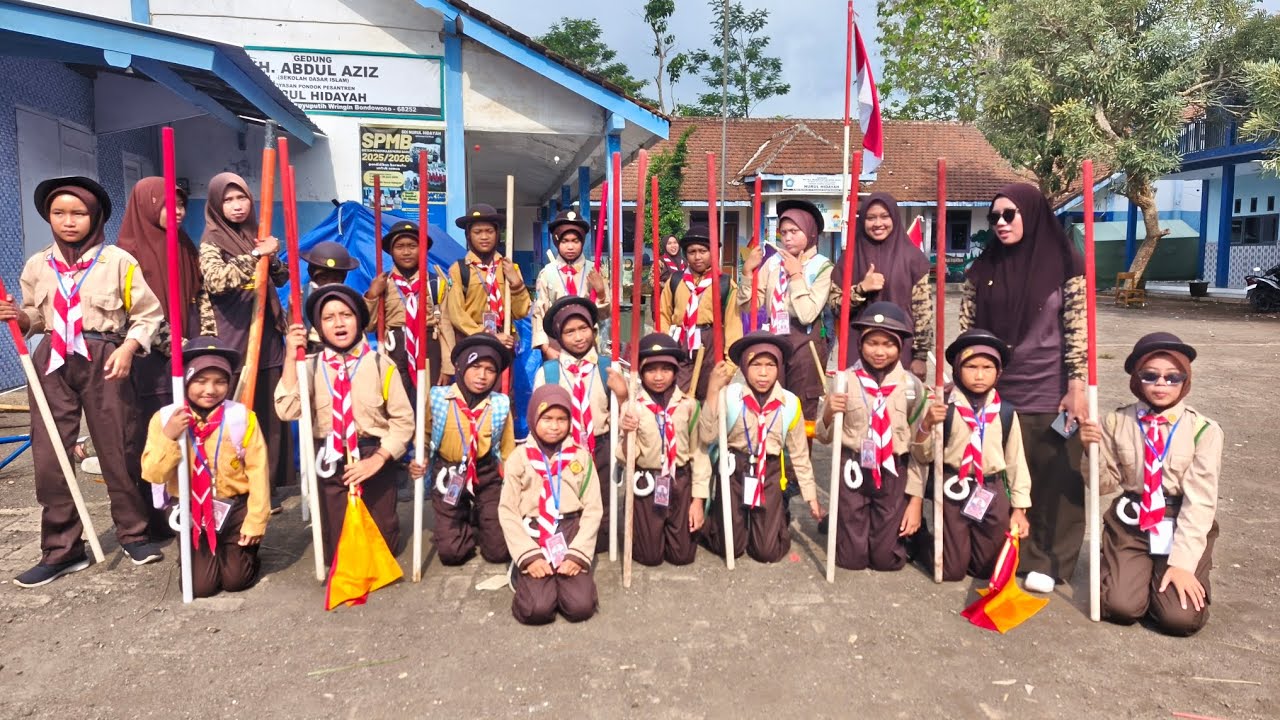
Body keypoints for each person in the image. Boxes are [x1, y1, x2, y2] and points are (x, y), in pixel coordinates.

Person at [2, 176, 165, 587]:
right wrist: (19, 318)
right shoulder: (38, 264)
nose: (68, 221)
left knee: (118, 447)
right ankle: (62, 550)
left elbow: (147, 314)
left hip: (105, 357)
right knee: (50, 455)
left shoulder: (119, 262)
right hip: (52, 360)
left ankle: (134, 534)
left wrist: (129, 349)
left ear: (95, 216)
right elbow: (35, 315)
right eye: (59, 213)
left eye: (78, 213)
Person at [959, 183, 1087, 594]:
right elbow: (967, 330)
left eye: (1009, 214)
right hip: (997, 390)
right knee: (1007, 472)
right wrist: (962, 380)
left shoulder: (1067, 264)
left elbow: (1078, 328)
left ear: (1030, 214)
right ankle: (1008, 548)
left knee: (1054, 474)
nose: (1000, 223)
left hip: (1051, 387)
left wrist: (1077, 385)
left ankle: (1048, 558)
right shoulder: (983, 268)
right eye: (994, 216)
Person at [1080, 333, 1222, 636]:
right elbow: (1104, 485)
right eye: (1150, 375)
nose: (1161, 384)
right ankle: (1133, 577)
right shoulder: (1115, 422)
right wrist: (1090, 452)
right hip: (1131, 524)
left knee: (1179, 619)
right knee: (1120, 606)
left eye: (1172, 377)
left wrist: (1183, 565)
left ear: (1185, 380)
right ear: (1136, 379)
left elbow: (1200, 502)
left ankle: (1163, 583)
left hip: (1180, 522)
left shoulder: (1203, 430)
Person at [275, 285, 413, 568]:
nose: (339, 323)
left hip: (373, 456)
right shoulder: (309, 367)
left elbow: (403, 422)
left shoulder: (380, 364)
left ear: (359, 320)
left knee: (382, 551)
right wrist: (289, 357)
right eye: (328, 317)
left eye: (346, 315)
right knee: (338, 556)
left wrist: (378, 459)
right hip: (329, 458)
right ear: (319, 327)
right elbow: (287, 410)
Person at [140, 337, 269, 597]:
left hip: (234, 509)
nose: (210, 389)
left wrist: (256, 521)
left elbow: (259, 473)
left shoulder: (241, 418)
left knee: (236, 581)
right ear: (186, 380)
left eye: (220, 381)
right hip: (191, 510)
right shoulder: (164, 419)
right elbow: (153, 473)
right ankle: (196, 555)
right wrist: (169, 437)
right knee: (202, 587)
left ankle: (246, 554)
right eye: (200, 380)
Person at [199, 172, 294, 510]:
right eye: (228, 200)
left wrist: (272, 255)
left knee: (268, 417)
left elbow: (281, 277)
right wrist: (256, 255)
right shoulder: (211, 240)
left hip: (266, 335)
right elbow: (217, 280)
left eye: (242, 198)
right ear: (216, 205)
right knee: (237, 414)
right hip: (233, 338)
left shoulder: (258, 234)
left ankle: (266, 487)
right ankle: (236, 485)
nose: (237, 206)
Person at [117, 176, 203, 540]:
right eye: (169, 204)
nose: (178, 211)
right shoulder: (126, 254)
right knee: (153, 432)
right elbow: (130, 313)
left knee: (186, 429)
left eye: (181, 204)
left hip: (186, 354)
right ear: (148, 206)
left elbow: (198, 297)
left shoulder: (183, 245)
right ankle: (153, 516)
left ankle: (186, 503)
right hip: (150, 360)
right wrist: (175, 344)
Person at [909, 328, 1031, 582]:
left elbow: (1016, 462)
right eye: (971, 367)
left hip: (991, 489)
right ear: (957, 369)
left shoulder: (1005, 412)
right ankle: (921, 541)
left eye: (987, 367)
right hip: (953, 486)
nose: (979, 375)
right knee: (950, 570)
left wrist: (1019, 509)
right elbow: (922, 454)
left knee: (986, 569)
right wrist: (927, 425)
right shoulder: (943, 407)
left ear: (999, 372)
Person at [814, 302, 928, 571]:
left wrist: (916, 500)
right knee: (850, 560)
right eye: (872, 343)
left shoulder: (912, 387)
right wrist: (829, 411)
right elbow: (822, 434)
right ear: (860, 344)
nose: (879, 351)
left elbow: (920, 451)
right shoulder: (844, 380)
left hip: (893, 471)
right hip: (853, 468)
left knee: (886, 560)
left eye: (888, 344)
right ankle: (842, 524)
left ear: (900, 346)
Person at [699, 331, 821, 563]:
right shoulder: (729, 396)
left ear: (779, 367)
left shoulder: (790, 403)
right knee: (730, 547)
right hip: (734, 469)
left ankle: (777, 516)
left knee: (767, 552)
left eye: (770, 365)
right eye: (756, 365)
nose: (763, 373)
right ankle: (718, 517)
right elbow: (706, 435)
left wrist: (810, 496)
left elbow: (799, 454)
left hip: (770, 472)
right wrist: (713, 391)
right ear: (745, 368)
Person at [498, 384, 601, 624]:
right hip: (532, 533)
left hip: (569, 531)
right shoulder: (519, 458)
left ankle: (561, 582)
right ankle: (523, 572)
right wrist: (529, 556)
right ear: (534, 418)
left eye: (561, 419)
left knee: (580, 607)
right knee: (537, 609)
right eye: (547, 419)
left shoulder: (581, 457)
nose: (554, 426)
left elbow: (593, 509)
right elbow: (508, 511)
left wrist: (577, 554)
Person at [534, 297, 628, 553]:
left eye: (583, 328)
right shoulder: (548, 372)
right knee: (569, 499)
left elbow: (625, 414)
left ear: (593, 330)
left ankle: (601, 534)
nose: (578, 337)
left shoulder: (608, 368)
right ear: (558, 337)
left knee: (603, 500)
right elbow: (538, 417)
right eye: (569, 332)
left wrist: (622, 395)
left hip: (601, 446)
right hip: (564, 448)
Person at [740, 199, 834, 432]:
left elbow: (807, 314)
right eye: (783, 233)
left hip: (806, 342)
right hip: (774, 338)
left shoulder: (823, 267)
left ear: (810, 233)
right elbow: (749, 306)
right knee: (772, 403)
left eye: (794, 231)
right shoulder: (772, 263)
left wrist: (796, 276)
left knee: (802, 408)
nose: (787, 238)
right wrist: (747, 273)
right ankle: (772, 453)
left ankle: (799, 456)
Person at [618, 333, 710, 566]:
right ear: (641, 372)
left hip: (680, 481)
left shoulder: (688, 406)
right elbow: (626, 458)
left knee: (682, 556)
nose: (658, 377)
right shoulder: (632, 408)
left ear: (676, 371)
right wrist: (627, 433)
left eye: (666, 369)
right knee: (649, 557)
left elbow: (699, 453)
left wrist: (698, 501)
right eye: (651, 370)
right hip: (647, 482)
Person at [424, 334, 516, 565]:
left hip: (486, 472)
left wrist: (513, 484)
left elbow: (508, 450)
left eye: (490, 370)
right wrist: (421, 458)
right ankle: (459, 519)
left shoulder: (500, 404)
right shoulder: (439, 398)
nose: (482, 376)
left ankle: (482, 518)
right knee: (452, 554)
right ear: (461, 366)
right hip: (449, 472)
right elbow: (424, 435)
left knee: (498, 552)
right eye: (475, 367)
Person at [840, 193, 933, 377]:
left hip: (901, 347)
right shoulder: (850, 257)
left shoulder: (913, 258)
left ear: (894, 218)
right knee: (860, 394)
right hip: (859, 348)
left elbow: (923, 311)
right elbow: (836, 305)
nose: (878, 223)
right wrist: (861, 289)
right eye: (870, 218)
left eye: (884, 216)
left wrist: (920, 356)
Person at [364, 220, 454, 392]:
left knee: (427, 400)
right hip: (395, 347)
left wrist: (447, 365)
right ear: (391, 251)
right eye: (399, 247)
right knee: (397, 398)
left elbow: (445, 325)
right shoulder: (383, 284)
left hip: (428, 346)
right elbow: (369, 326)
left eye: (412, 246)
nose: (406, 252)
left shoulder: (435, 283)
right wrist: (372, 295)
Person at [658, 224, 743, 402]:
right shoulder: (676, 281)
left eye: (703, 251)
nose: (697, 257)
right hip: (681, 342)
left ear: (713, 253)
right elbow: (663, 315)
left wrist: (729, 366)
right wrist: (666, 346)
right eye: (692, 252)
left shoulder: (725, 284)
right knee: (677, 397)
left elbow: (733, 326)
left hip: (711, 342)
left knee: (710, 399)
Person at [444, 203, 531, 350]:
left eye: (489, 231)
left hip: (505, 343)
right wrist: (487, 335)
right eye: (477, 232)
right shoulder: (459, 270)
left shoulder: (509, 267)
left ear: (497, 234)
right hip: (472, 343)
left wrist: (516, 283)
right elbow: (456, 315)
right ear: (468, 235)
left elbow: (521, 312)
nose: (484, 237)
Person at [529, 209, 609, 359]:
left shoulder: (595, 271)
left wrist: (601, 293)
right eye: (565, 241)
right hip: (556, 344)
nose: (570, 247)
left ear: (582, 242)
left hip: (586, 342)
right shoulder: (547, 273)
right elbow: (539, 313)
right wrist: (546, 348)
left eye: (575, 241)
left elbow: (603, 315)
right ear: (557, 242)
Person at [299, 241, 359, 350]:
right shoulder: (304, 296)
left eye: (335, 279)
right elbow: (295, 329)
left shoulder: (349, 300)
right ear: (313, 276)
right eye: (323, 278)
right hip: (314, 351)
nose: (329, 283)